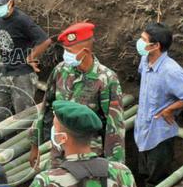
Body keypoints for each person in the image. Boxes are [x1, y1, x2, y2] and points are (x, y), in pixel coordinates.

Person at [31, 22, 125, 169]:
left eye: (69, 51)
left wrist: (114, 167)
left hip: (88, 155)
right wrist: (35, 144)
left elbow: (114, 126)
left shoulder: (106, 79)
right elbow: (46, 108)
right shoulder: (61, 70)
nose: (66, 55)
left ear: (85, 52)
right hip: (59, 151)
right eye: (65, 50)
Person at [134, 22, 183, 187]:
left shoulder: (170, 70)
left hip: (159, 135)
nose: (139, 42)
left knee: (156, 179)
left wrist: (170, 109)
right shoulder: (145, 60)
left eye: (143, 40)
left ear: (156, 45)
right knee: (143, 172)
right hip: (142, 129)